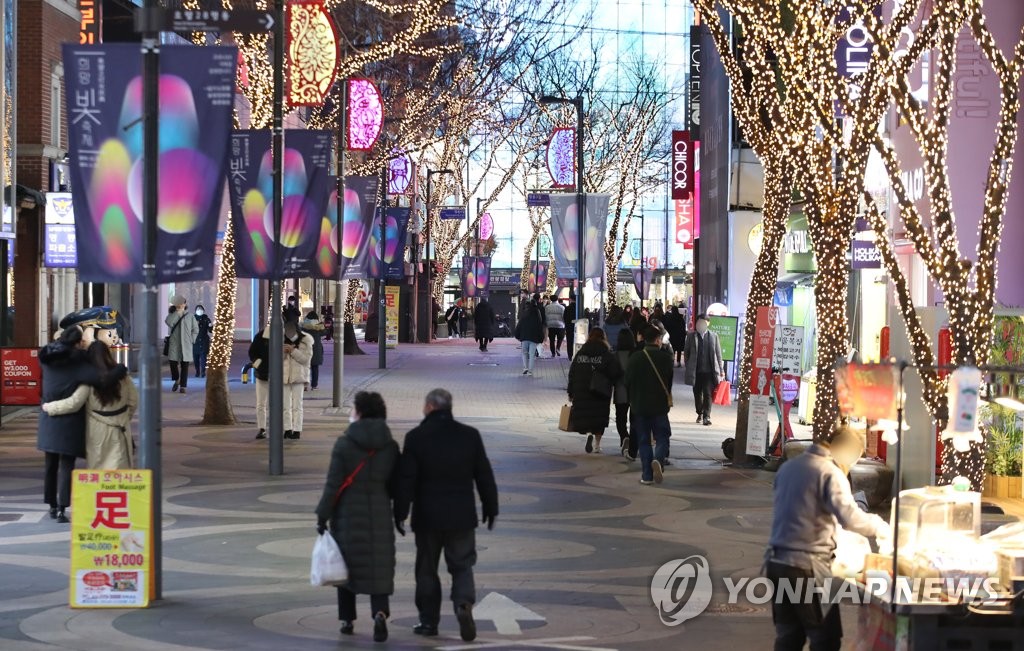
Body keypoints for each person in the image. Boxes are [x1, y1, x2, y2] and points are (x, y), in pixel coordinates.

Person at [767, 425, 892, 651]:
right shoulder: (829, 472)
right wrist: (879, 526)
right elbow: (850, 518)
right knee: (825, 638)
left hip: (776, 562)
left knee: (789, 636)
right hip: (808, 567)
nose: (851, 465)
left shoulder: (788, 468)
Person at [394, 389, 499, 643]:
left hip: (427, 517)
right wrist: (490, 506)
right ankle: (463, 604)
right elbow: (483, 474)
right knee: (462, 565)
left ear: (429, 407)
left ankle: (429, 622)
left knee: (427, 569)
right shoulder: (469, 436)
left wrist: (400, 512)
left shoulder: (416, 437)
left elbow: (406, 479)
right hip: (461, 516)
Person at [315, 391, 400, 643]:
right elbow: (397, 485)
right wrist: (400, 511)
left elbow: (333, 485)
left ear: (360, 412)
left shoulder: (344, 444)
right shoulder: (390, 446)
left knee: (346, 567)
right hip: (380, 513)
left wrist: (322, 515)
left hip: (346, 516)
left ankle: (347, 619)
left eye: (353, 408)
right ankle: (380, 614)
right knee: (379, 566)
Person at [37, 308, 124, 523]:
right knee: (66, 465)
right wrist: (120, 369)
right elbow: (102, 379)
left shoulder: (46, 357)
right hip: (69, 422)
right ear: (78, 342)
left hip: (47, 418)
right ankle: (62, 509)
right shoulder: (77, 362)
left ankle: (51, 504)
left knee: (50, 465)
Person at [42, 341, 137, 470]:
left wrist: (49, 407)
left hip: (97, 429)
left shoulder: (90, 380)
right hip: (121, 427)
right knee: (120, 467)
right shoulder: (123, 377)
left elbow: (74, 403)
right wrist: (125, 416)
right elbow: (133, 401)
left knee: (99, 468)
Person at [625, 326, 674, 485]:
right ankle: (658, 460)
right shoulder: (666, 358)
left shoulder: (635, 358)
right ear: (658, 340)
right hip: (659, 406)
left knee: (644, 441)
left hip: (639, 406)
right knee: (662, 436)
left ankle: (647, 476)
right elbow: (669, 382)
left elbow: (627, 382)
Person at [567, 328, 623, 454]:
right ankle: (597, 445)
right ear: (604, 338)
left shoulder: (581, 354)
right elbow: (615, 372)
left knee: (587, 415)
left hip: (582, 390)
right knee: (599, 417)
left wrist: (571, 391)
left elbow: (572, 373)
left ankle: (588, 434)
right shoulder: (607, 355)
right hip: (600, 391)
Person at [684, 314, 725, 426]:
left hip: (709, 371)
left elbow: (718, 354)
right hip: (695, 371)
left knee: (708, 394)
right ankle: (699, 412)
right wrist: (688, 365)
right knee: (697, 393)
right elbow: (686, 352)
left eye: (703, 322)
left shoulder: (713, 336)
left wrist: (721, 370)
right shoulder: (691, 336)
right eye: (699, 322)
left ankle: (707, 416)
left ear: (708, 323)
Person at [283, 313, 314, 439]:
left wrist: (293, 351)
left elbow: (306, 359)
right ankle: (287, 428)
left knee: (297, 405)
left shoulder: (305, 341)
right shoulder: (281, 341)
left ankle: (297, 429)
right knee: (285, 405)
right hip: (284, 377)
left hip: (299, 377)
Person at [165, 294, 198, 394]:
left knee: (185, 365)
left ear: (185, 304)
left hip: (186, 344)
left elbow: (195, 329)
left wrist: (192, 339)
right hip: (175, 343)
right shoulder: (172, 314)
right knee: (173, 363)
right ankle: (177, 379)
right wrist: (177, 312)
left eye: (182, 303)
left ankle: (183, 386)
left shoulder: (190, 316)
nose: (180, 305)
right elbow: (169, 323)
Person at [614, 328, 637, 459]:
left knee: (620, 418)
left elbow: (612, 373)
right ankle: (632, 444)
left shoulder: (616, 355)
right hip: (635, 392)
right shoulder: (637, 354)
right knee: (634, 419)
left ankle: (624, 437)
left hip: (620, 391)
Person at [248, 322, 271, 440]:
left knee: (280, 404)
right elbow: (252, 352)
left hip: (280, 376)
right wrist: (258, 364)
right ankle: (262, 428)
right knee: (261, 403)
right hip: (262, 375)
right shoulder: (261, 336)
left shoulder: (284, 337)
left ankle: (284, 427)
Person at [514, 294, 545, 376]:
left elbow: (519, 325)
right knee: (532, 354)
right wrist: (541, 338)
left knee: (524, 353)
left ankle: (525, 368)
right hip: (534, 338)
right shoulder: (537, 316)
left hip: (524, 337)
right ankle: (530, 371)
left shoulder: (524, 315)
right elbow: (540, 327)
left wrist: (517, 335)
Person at [302, 311, 326, 390]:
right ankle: (314, 385)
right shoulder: (318, 328)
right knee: (315, 368)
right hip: (316, 350)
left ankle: (305, 385)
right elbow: (325, 332)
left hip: (305, 349)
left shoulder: (303, 327)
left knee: (305, 368)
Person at [192, 304, 212, 378]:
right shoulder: (193, 319)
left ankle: (203, 372)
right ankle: (197, 371)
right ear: (196, 311)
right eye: (198, 309)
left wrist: (210, 326)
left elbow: (210, 331)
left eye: (201, 309)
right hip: (195, 342)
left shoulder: (206, 319)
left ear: (203, 310)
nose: (199, 310)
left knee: (203, 358)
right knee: (196, 359)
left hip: (204, 341)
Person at [564, 293, 577, 359]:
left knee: (569, 341)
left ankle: (570, 355)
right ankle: (576, 354)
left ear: (570, 299)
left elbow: (565, 318)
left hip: (569, 327)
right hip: (578, 327)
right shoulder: (579, 308)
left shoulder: (567, 308)